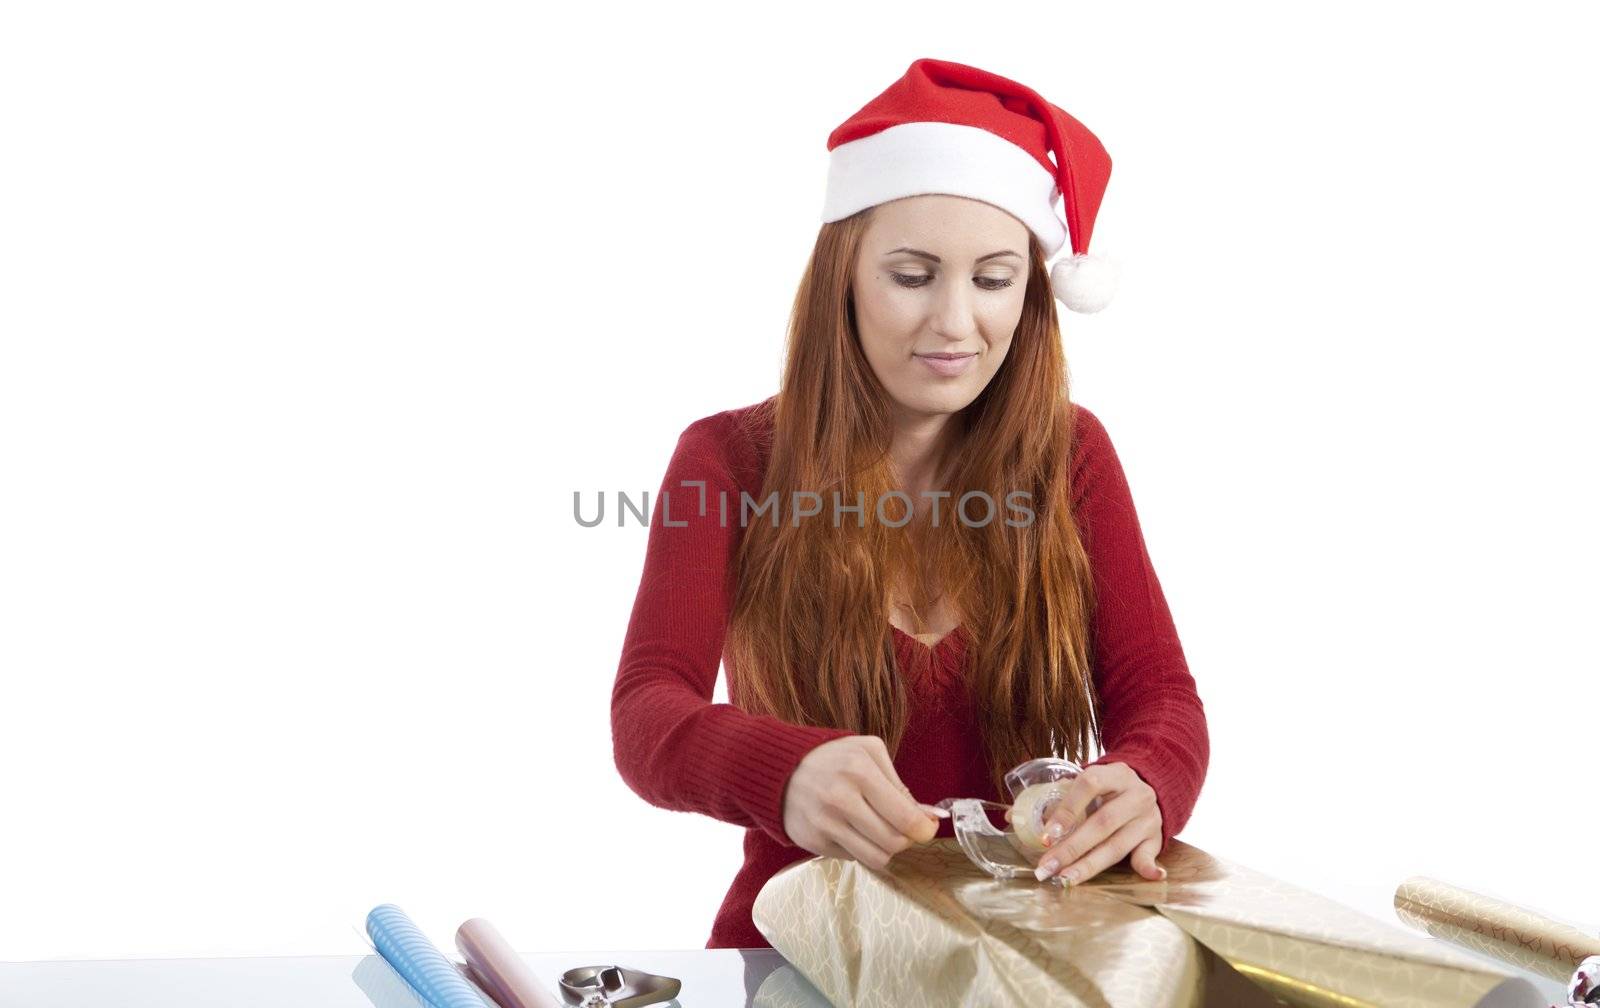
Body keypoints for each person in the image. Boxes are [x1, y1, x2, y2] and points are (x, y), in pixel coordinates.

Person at [610, 57, 1209, 951]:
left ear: (1032, 295)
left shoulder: (1072, 458)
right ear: (844, 277)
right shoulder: (728, 462)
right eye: (914, 274)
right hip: (793, 962)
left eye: (994, 279)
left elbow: (1161, 698)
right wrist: (783, 773)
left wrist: (1146, 783)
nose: (955, 324)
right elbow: (648, 711)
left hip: (1026, 961)